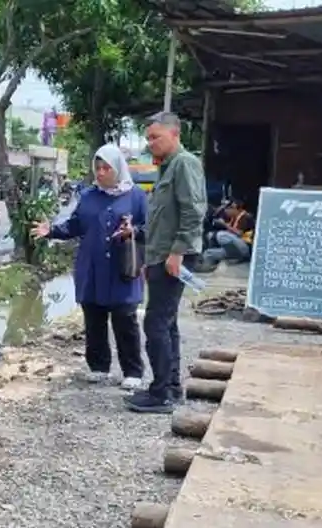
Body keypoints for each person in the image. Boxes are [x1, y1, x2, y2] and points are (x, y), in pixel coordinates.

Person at [32, 144, 147, 390]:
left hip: (122, 269)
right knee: (94, 319)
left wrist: (133, 231)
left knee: (125, 320)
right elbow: (75, 225)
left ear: (118, 169)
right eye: (98, 168)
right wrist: (51, 230)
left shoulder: (136, 197)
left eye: (106, 168)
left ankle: (133, 371)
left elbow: (151, 228)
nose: (101, 172)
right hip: (92, 269)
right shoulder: (88, 196)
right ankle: (99, 367)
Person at [125, 111, 207, 415]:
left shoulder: (184, 164)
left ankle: (162, 392)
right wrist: (152, 258)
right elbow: (162, 220)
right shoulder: (167, 167)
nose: (151, 143)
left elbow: (193, 212)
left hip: (175, 255)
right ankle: (170, 386)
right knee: (166, 322)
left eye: (155, 137)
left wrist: (177, 253)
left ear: (175, 134)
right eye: (148, 138)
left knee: (156, 323)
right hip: (162, 256)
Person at [201, 198, 254, 266]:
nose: (226, 211)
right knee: (208, 253)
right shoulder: (233, 217)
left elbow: (239, 233)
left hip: (245, 248)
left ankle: (241, 257)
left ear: (236, 209)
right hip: (234, 249)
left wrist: (224, 224)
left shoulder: (245, 216)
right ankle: (206, 267)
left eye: (229, 209)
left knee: (221, 235)